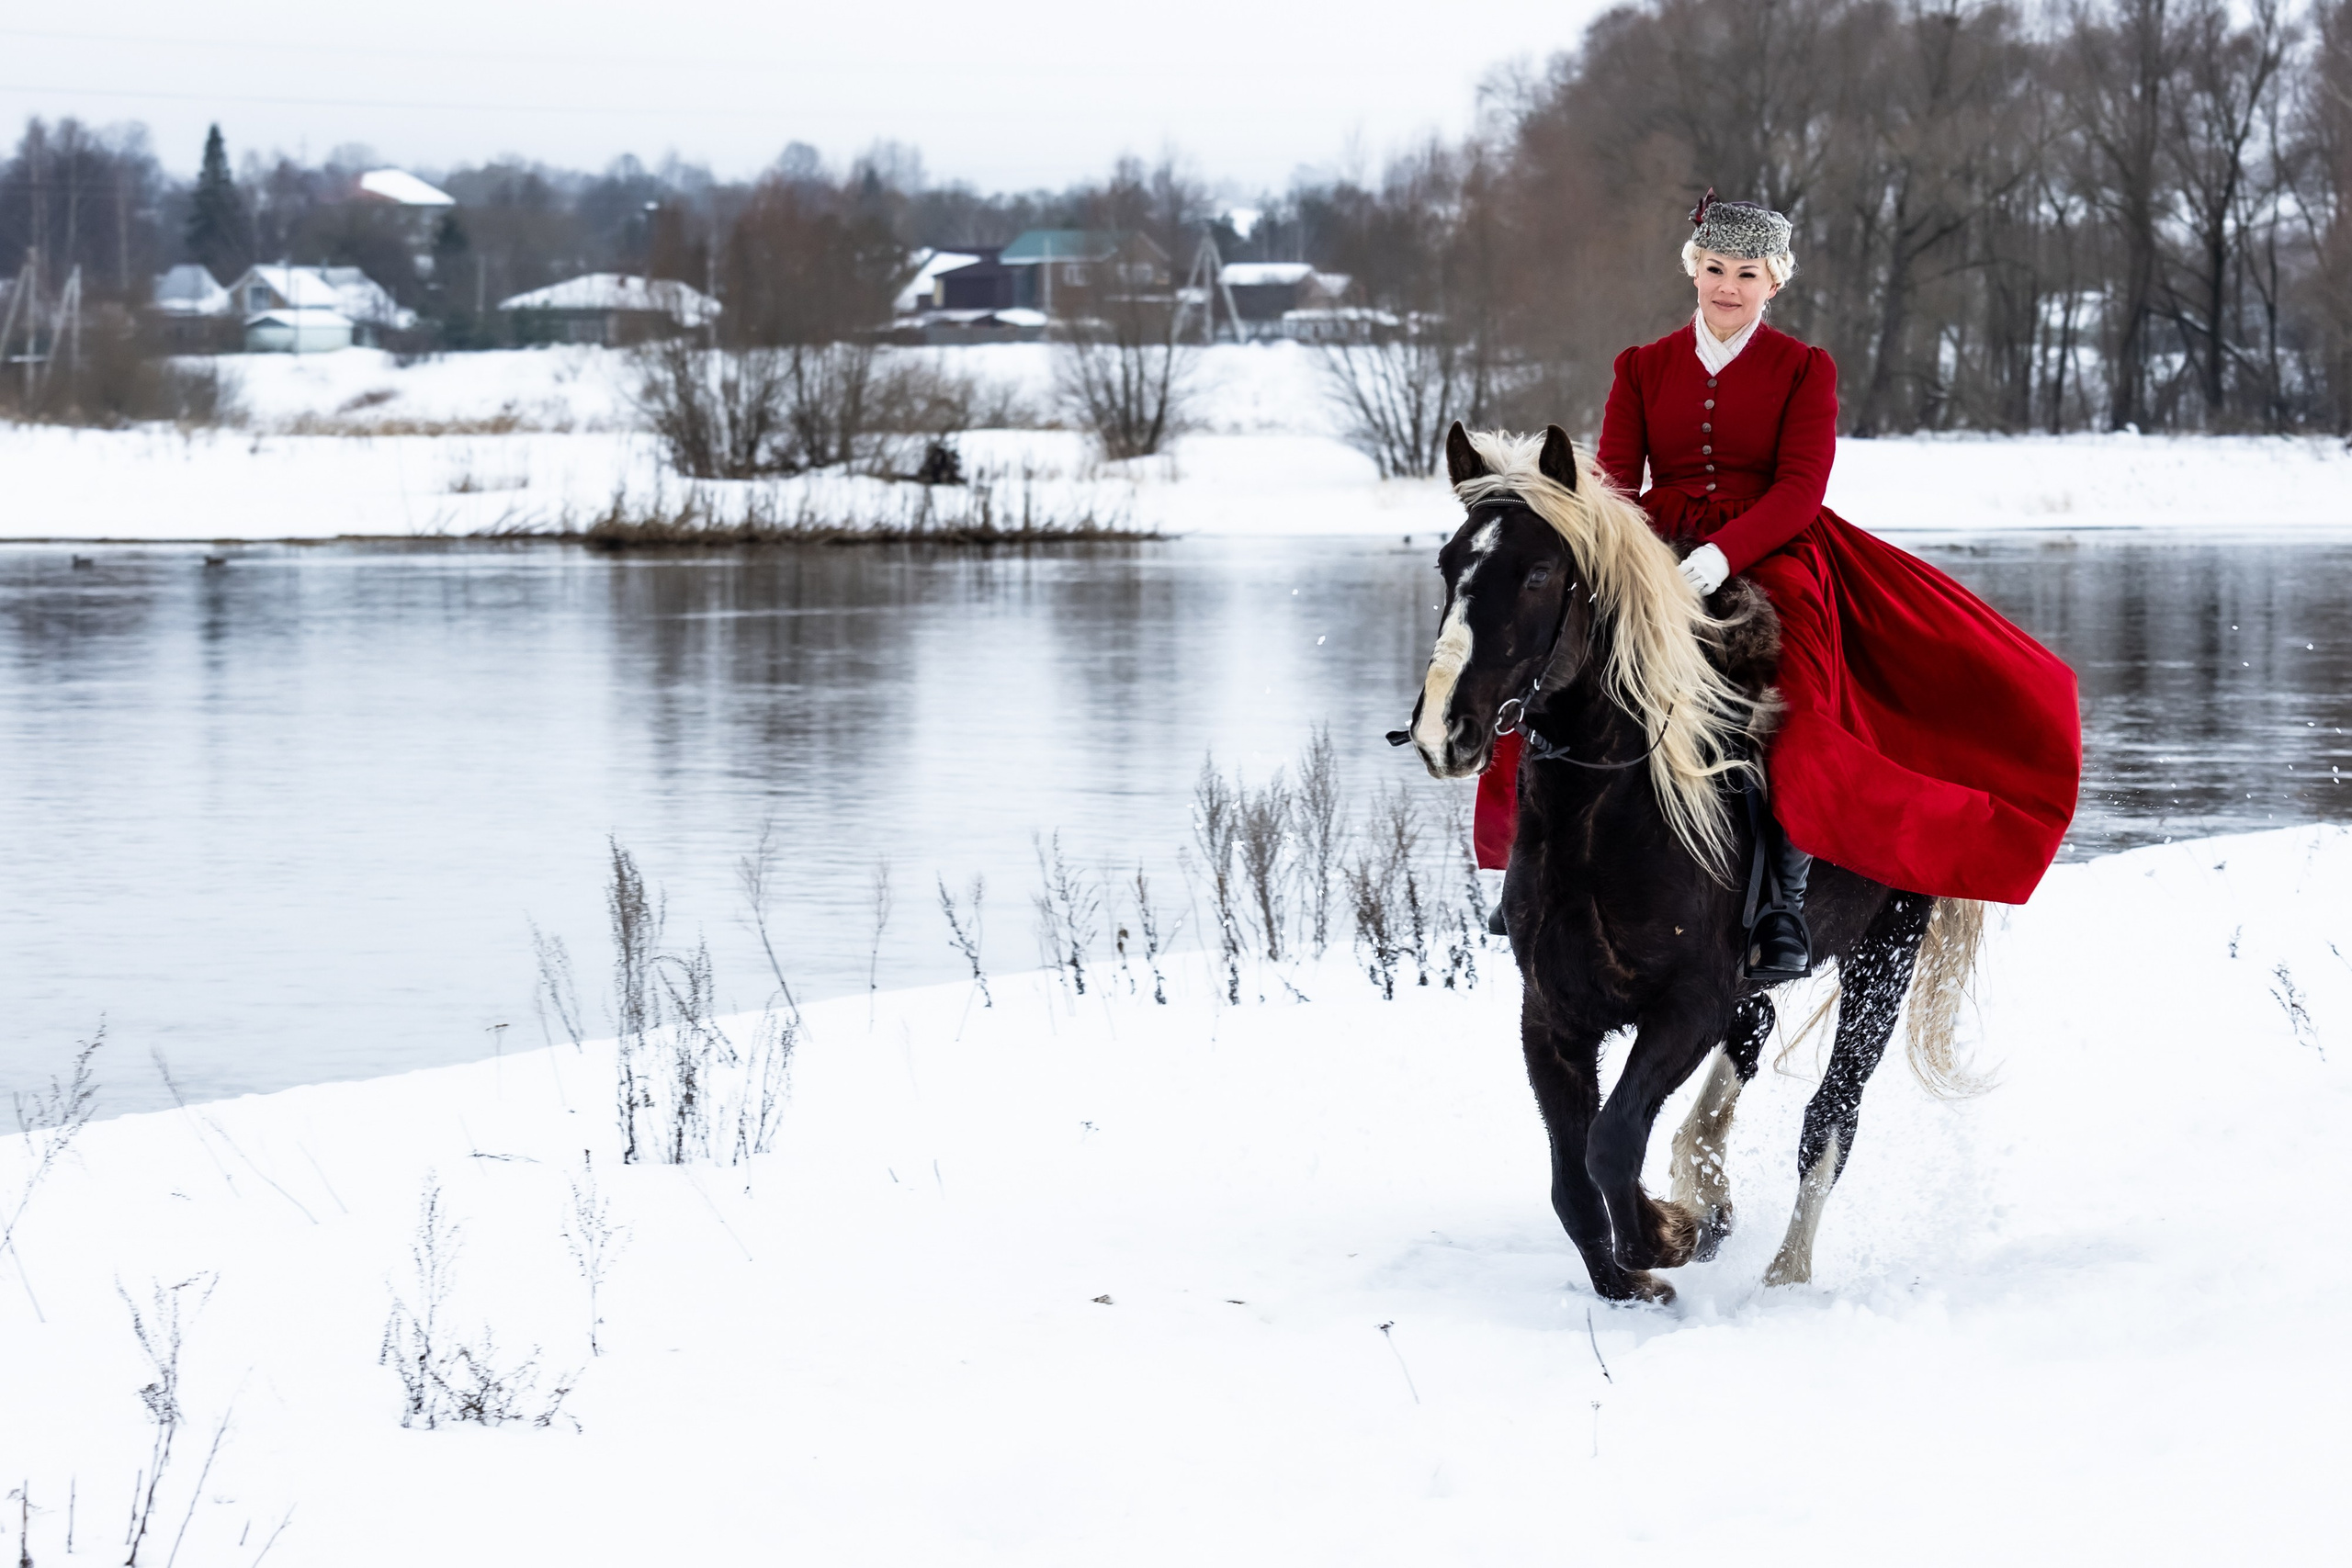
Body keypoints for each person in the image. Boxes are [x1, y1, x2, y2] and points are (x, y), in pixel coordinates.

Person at [1475, 190, 2080, 977]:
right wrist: (1636, 562)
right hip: (1654, 546)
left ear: (1774, 282)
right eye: (1715, 268)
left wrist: (1721, 557)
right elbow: (1617, 483)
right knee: (1555, 667)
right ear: (1695, 270)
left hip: (1775, 548)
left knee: (1794, 702)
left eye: (1747, 273)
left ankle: (1781, 904)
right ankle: (1534, 864)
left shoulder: (1805, 369)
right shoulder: (1641, 366)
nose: (1728, 286)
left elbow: (1800, 489)